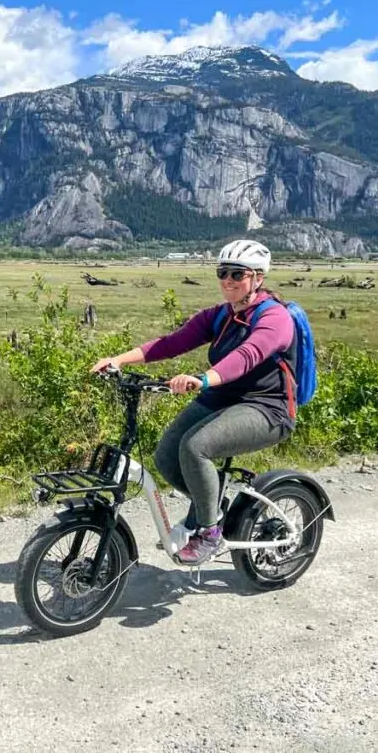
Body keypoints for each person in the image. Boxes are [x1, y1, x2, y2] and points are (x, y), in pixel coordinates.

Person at [91, 239, 298, 565]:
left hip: (265, 408)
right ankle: (211, 507)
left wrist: (203, 379)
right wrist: (119, 359)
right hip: (222, 399)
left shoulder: (276, 318)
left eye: (236, 274)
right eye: (222, 273)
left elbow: (248, 356)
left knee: (195, 447)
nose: (227, 280)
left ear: (258, 277)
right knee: (165, 457)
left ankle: (209, 533)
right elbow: (172, 343)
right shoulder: (221, 316)